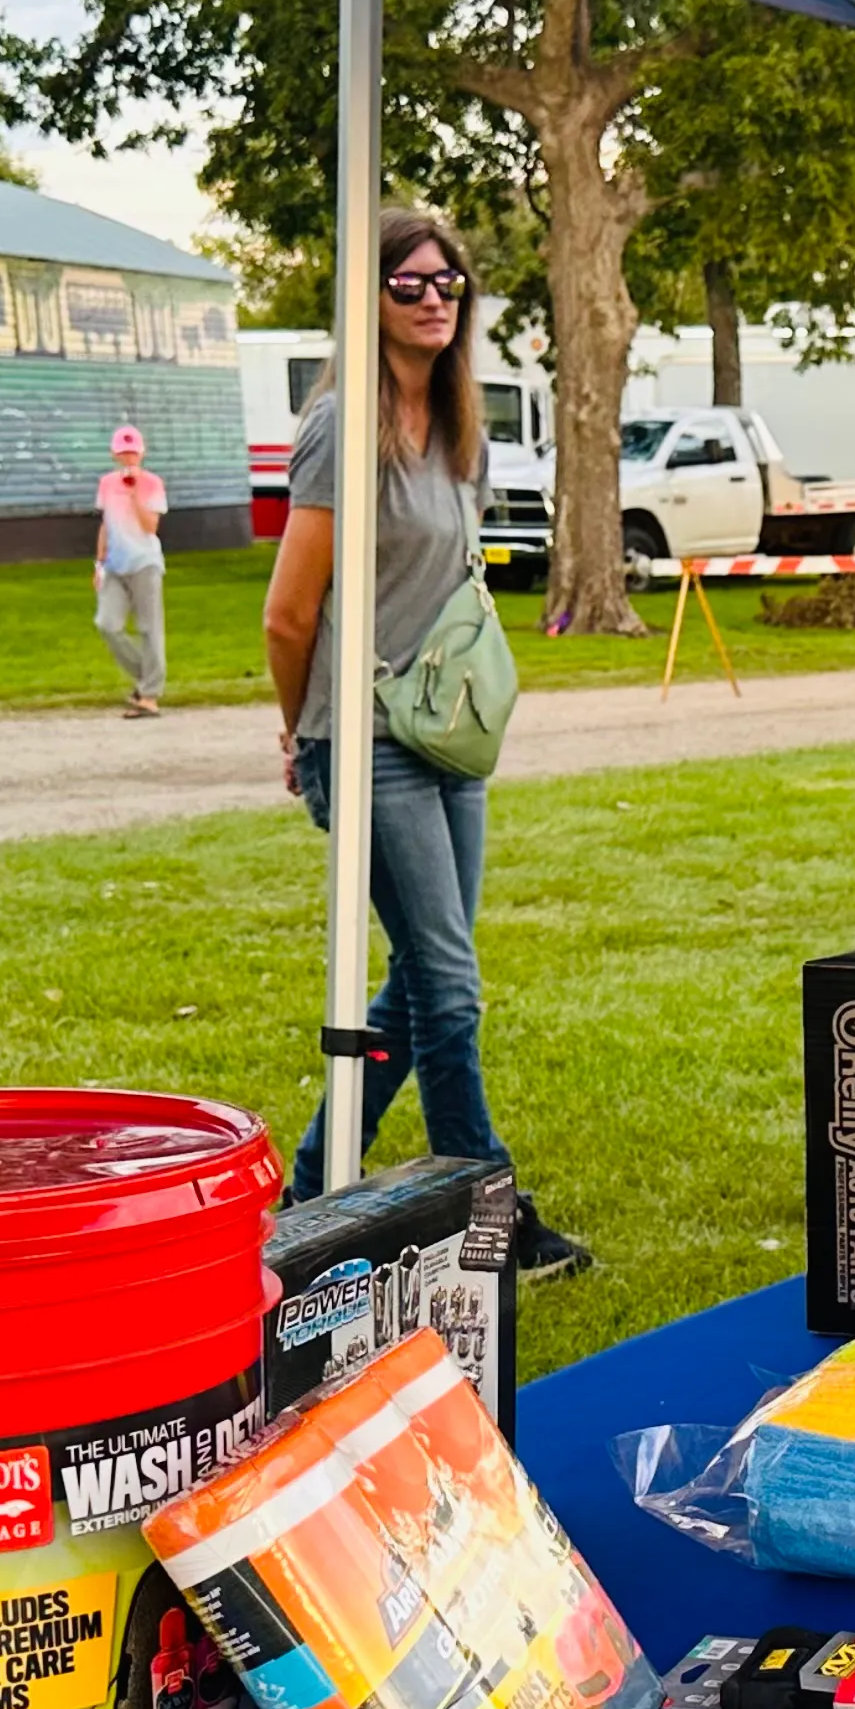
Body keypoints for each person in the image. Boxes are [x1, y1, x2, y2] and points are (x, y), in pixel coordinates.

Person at [261, 206, 591, 1278]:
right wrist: (301, 732)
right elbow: (287, 612)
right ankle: (485, 1210)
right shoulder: (341, 429)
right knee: (449, 986)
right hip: (362, 740)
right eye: (409, 283)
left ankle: (312, 1185)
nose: (434, 298)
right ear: (371, 301)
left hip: (444, 739)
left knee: (422, 980)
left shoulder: (457, 430)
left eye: (448, 281)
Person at [94, 425, 169, 718]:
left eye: (132, 452)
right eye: (123, 452)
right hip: (115, 564)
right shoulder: (106, 484)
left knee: (149, 627)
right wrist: (99, 562)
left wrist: (135, 491)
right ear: (114, 454)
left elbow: (150, 526)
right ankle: (147, 675)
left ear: (141, 453)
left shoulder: (152, 483)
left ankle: (149, 695)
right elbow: (106, 523)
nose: (128, 458)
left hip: (144, 562)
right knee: (107, 623)